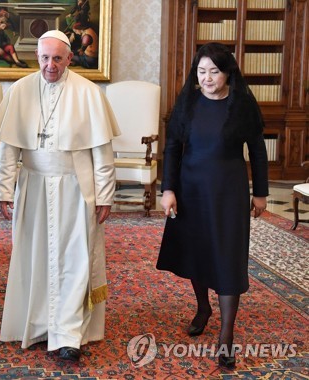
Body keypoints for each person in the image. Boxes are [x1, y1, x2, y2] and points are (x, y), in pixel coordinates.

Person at [0, 30, 120, 362]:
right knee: (34, 257)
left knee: (75, 259)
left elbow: (102, 153)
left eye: (57, 58)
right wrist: (4, 189)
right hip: (32, 185)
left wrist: (104, 195)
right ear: (37, 55)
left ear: (69, 59)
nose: (50, 65)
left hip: (76, 186)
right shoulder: (19, 90)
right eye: (45, 58)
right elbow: (8, 149)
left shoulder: (88, 92)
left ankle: (69, 334)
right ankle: (35, 326)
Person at [156, 42, 269, 370]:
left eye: (214, 72)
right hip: (190, 189)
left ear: (228, 72)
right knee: (197, 252)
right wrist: (168, 190)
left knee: (228, 257)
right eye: (201, 71)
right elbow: (173, 147)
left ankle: (226, 336)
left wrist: (260, 193)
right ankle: (203, 307)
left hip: (228, 191)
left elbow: (258, 152)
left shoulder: (242, 103)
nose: (207, 78)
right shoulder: (188, 102)